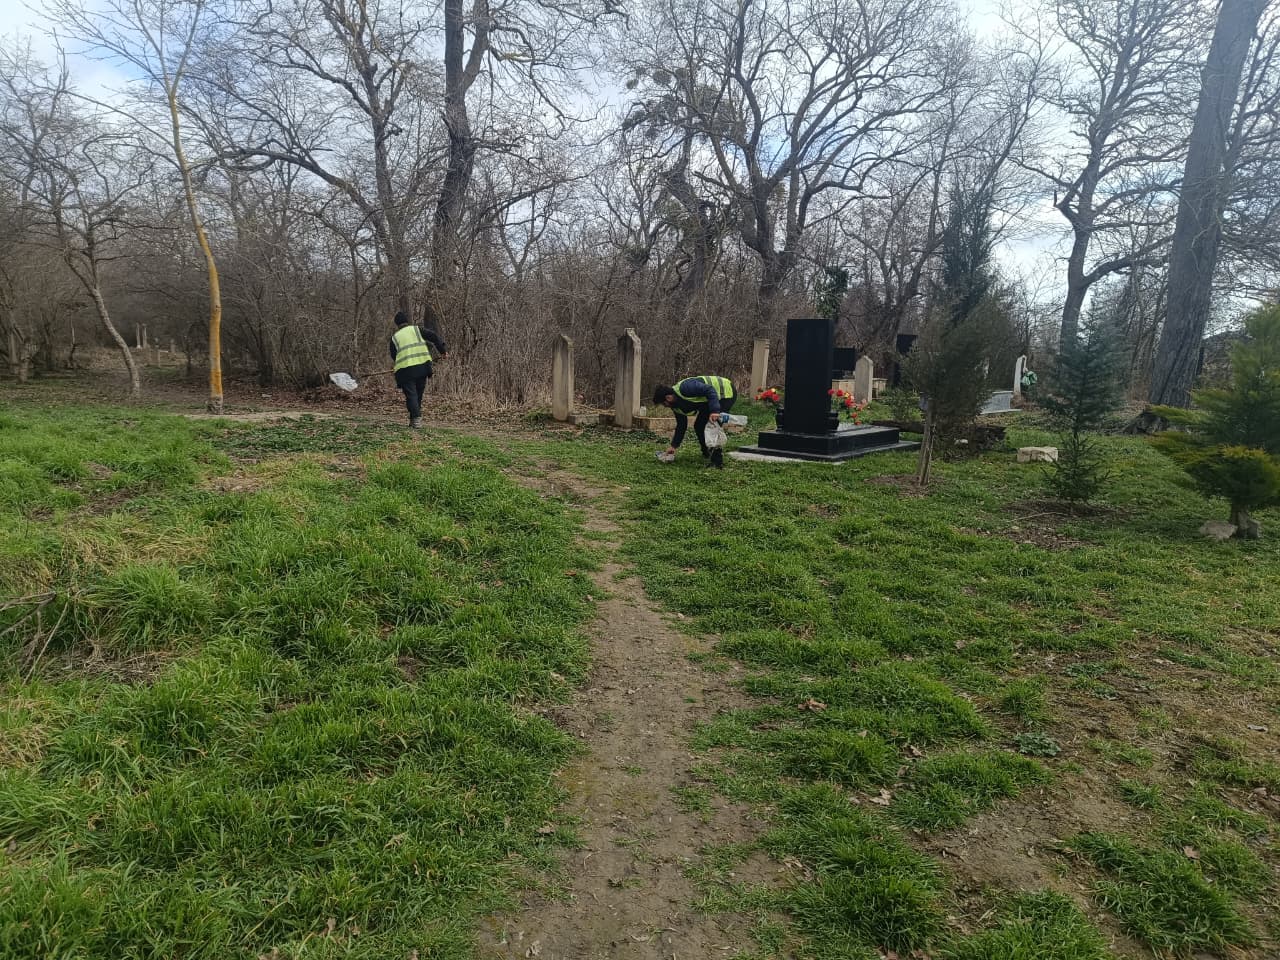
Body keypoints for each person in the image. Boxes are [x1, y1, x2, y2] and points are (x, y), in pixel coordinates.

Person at [652, 375, 736, 468]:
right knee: (699, 425)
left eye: (664, 404)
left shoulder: (686, 387)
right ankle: (707, 452)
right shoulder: (676, 407)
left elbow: (710, 390)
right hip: (709, 401)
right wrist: (673, 446)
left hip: (725, 392)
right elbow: (681, 426)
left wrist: (715, 411)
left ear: (668, 398)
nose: (665, 406)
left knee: (713, 425)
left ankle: (717, 462)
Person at [389, 310, 448, 428]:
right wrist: (443, 351)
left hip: (405, 370)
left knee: (411, 395)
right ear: (407, 321)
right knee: (418, 394)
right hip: (422, 367)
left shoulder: (394, 338)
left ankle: (416, 419)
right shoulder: (417, 330)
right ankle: (414, 419)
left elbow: (394, 355)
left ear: (397, 324)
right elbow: (434, 336)